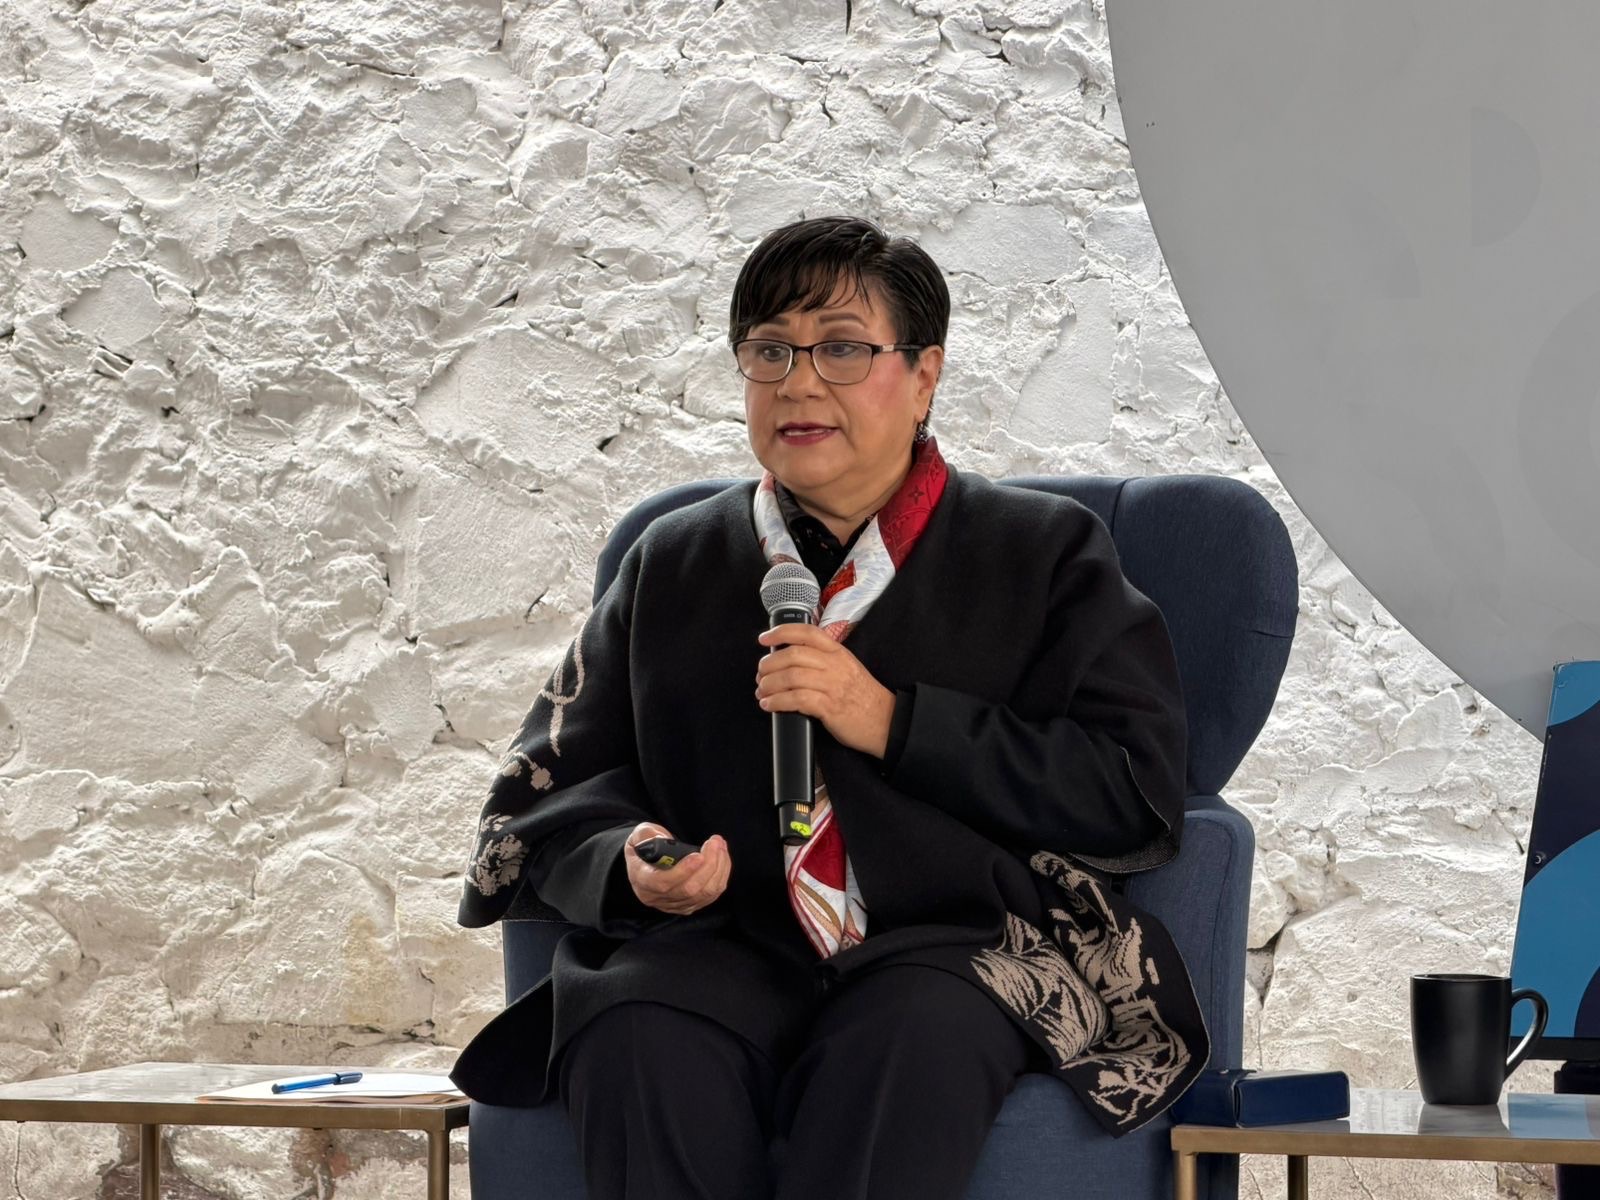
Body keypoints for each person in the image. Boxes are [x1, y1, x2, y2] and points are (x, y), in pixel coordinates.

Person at [452, 215, 1207, 1200]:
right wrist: (631, 858)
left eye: (842, 349)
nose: (799, 383)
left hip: (955, 945)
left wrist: (893, 721)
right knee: (633, 1024)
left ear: (925, 375)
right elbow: (553, 789)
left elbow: (1128, 787)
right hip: (723, 941)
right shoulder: (672, 560)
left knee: (906, 1040)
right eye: (770, 350)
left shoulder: (1044, 553)